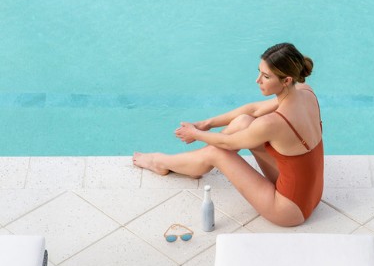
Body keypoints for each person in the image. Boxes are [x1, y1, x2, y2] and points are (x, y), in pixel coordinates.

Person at [133, 43, 323, 228]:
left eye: (266, 76)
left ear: (286, 80)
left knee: (216, 153)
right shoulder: (305, 91)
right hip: (313, 193)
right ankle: (194, 165)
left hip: (289, 209)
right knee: (244, 121)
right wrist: (206, 124)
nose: (258, 80)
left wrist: (195, 133)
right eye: (259, 72)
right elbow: (253, 109)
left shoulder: (273, 123)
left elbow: (228, 143)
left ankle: (162, 161)